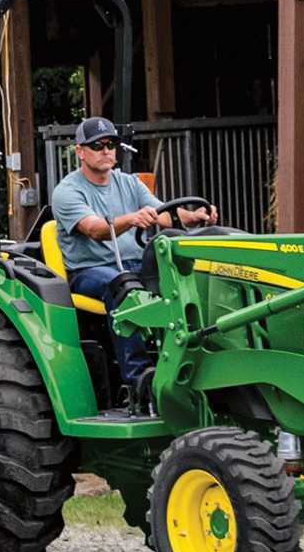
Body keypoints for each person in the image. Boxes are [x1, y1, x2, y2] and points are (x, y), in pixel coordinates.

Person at [51, 116, 217, 406]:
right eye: (97, 145)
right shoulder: (67, 192)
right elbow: (96, 230)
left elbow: (164, 215)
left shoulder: (129, 183)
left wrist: (194, 217)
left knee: (184, 280)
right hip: (90, 270)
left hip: (134, 264)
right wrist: (131, 219)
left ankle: (191, 362)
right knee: (125, 286)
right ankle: (140, 380)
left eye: (111, 144)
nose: (106, 151)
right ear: (80, 151)